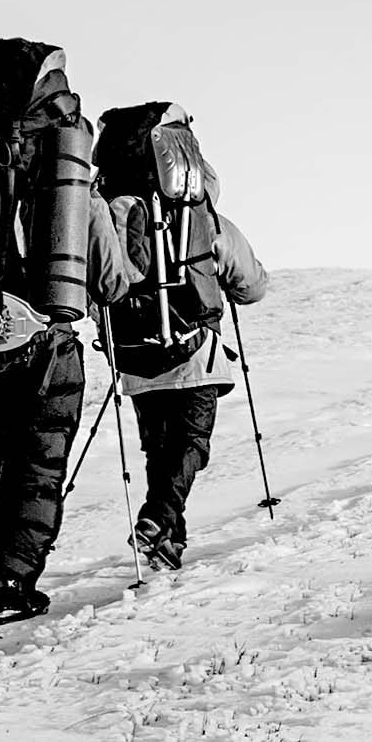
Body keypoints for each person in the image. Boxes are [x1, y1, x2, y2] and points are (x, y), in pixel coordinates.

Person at [0, 40, 137, 627]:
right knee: (38, 459)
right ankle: (11, 580)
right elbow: (112, 276)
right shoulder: (64, 153)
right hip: (45, 327)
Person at [91, 100, 270, 572]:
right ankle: (157, 520)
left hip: (133, 352)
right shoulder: (200, 217)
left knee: (159, 450)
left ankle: (169, 542)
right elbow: (250, 287)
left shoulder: (106, 210)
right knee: (191, 444)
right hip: (194, 349)